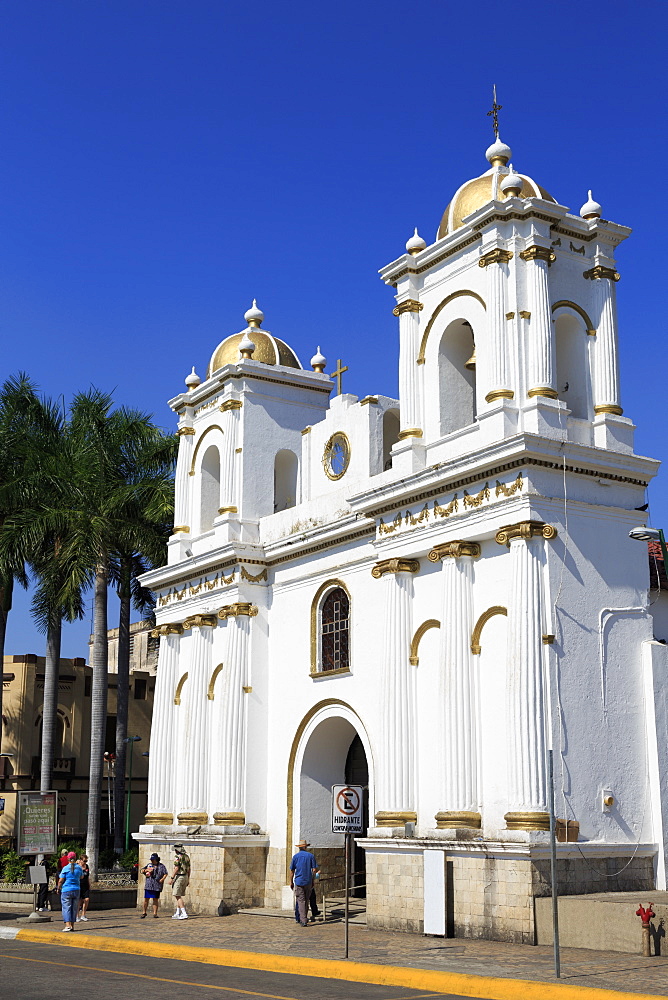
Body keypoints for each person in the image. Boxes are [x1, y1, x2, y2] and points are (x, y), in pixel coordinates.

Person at [290, 839, 318, 927]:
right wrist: (312, 880)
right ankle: (304, 917)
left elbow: (292, 871)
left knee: (301, 900)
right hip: (308, 881)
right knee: (306, 900)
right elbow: (314, 870)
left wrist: (291, 882)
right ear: (305, 847)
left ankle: (303, 919)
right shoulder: (311, 856)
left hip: (299, 881)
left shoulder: (295, 857)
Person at [57, 852, 83, 932]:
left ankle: (67, 925)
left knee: (66, 908)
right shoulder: (79, 868)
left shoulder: (65, 868)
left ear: (68, 859)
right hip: (76, 889)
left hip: (66, 890)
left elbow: (61, 880)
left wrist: (58, 888)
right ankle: (72, 926)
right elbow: (82, 877)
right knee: (74, 908)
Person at [140, 852, 168, 918]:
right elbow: (141, 870)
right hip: (149, 884)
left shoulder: (161, 866)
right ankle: (144, 912)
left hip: (157, 885)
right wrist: (146, 870)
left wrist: (162, 879)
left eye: (153, 859)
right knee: (146, 899)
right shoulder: (149, 865)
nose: (152, 861)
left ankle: (155, 913)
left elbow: (165, 873)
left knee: (155, 899)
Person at [169, 844, 191, 919]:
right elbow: (189, 869)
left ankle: (184, 913)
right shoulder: (186, 857)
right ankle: (178, 912)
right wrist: (188, 878)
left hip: (180, 876)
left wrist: (171, 878)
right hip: (185, 876)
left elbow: (176, 868)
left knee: (177, 895)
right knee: (179, 894)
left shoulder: (177, 857)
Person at [77, 855, 91, 921]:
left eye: (86, 861)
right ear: (80, 860)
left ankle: (83, 914)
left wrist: (89, 884)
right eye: (84, 861)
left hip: (85, 885)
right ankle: (77, 916)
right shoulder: (77, 866)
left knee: (87, 899)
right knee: (79, 901)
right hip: (79, 885)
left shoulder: (87, 866)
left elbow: (87, 876)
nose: (85, 862)